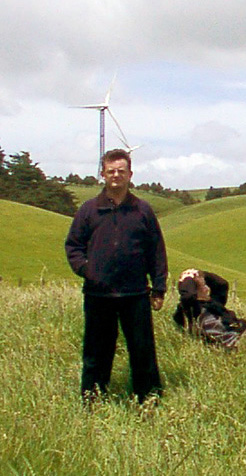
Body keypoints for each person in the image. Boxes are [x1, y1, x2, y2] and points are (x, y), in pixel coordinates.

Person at [65, 149, 167, 405]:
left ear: (130, 174)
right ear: (102, 174)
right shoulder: (89, 210)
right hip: (98, 294)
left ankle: (148, 399)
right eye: (111, 171)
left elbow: (156, 250)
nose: (116, 175)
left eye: (121, 171)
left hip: (135, 293)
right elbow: (73, 246)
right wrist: (87, 270)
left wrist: (159, 288)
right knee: (96, 351)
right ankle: (93, 400)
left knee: (142, 350)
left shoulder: (142, 210)